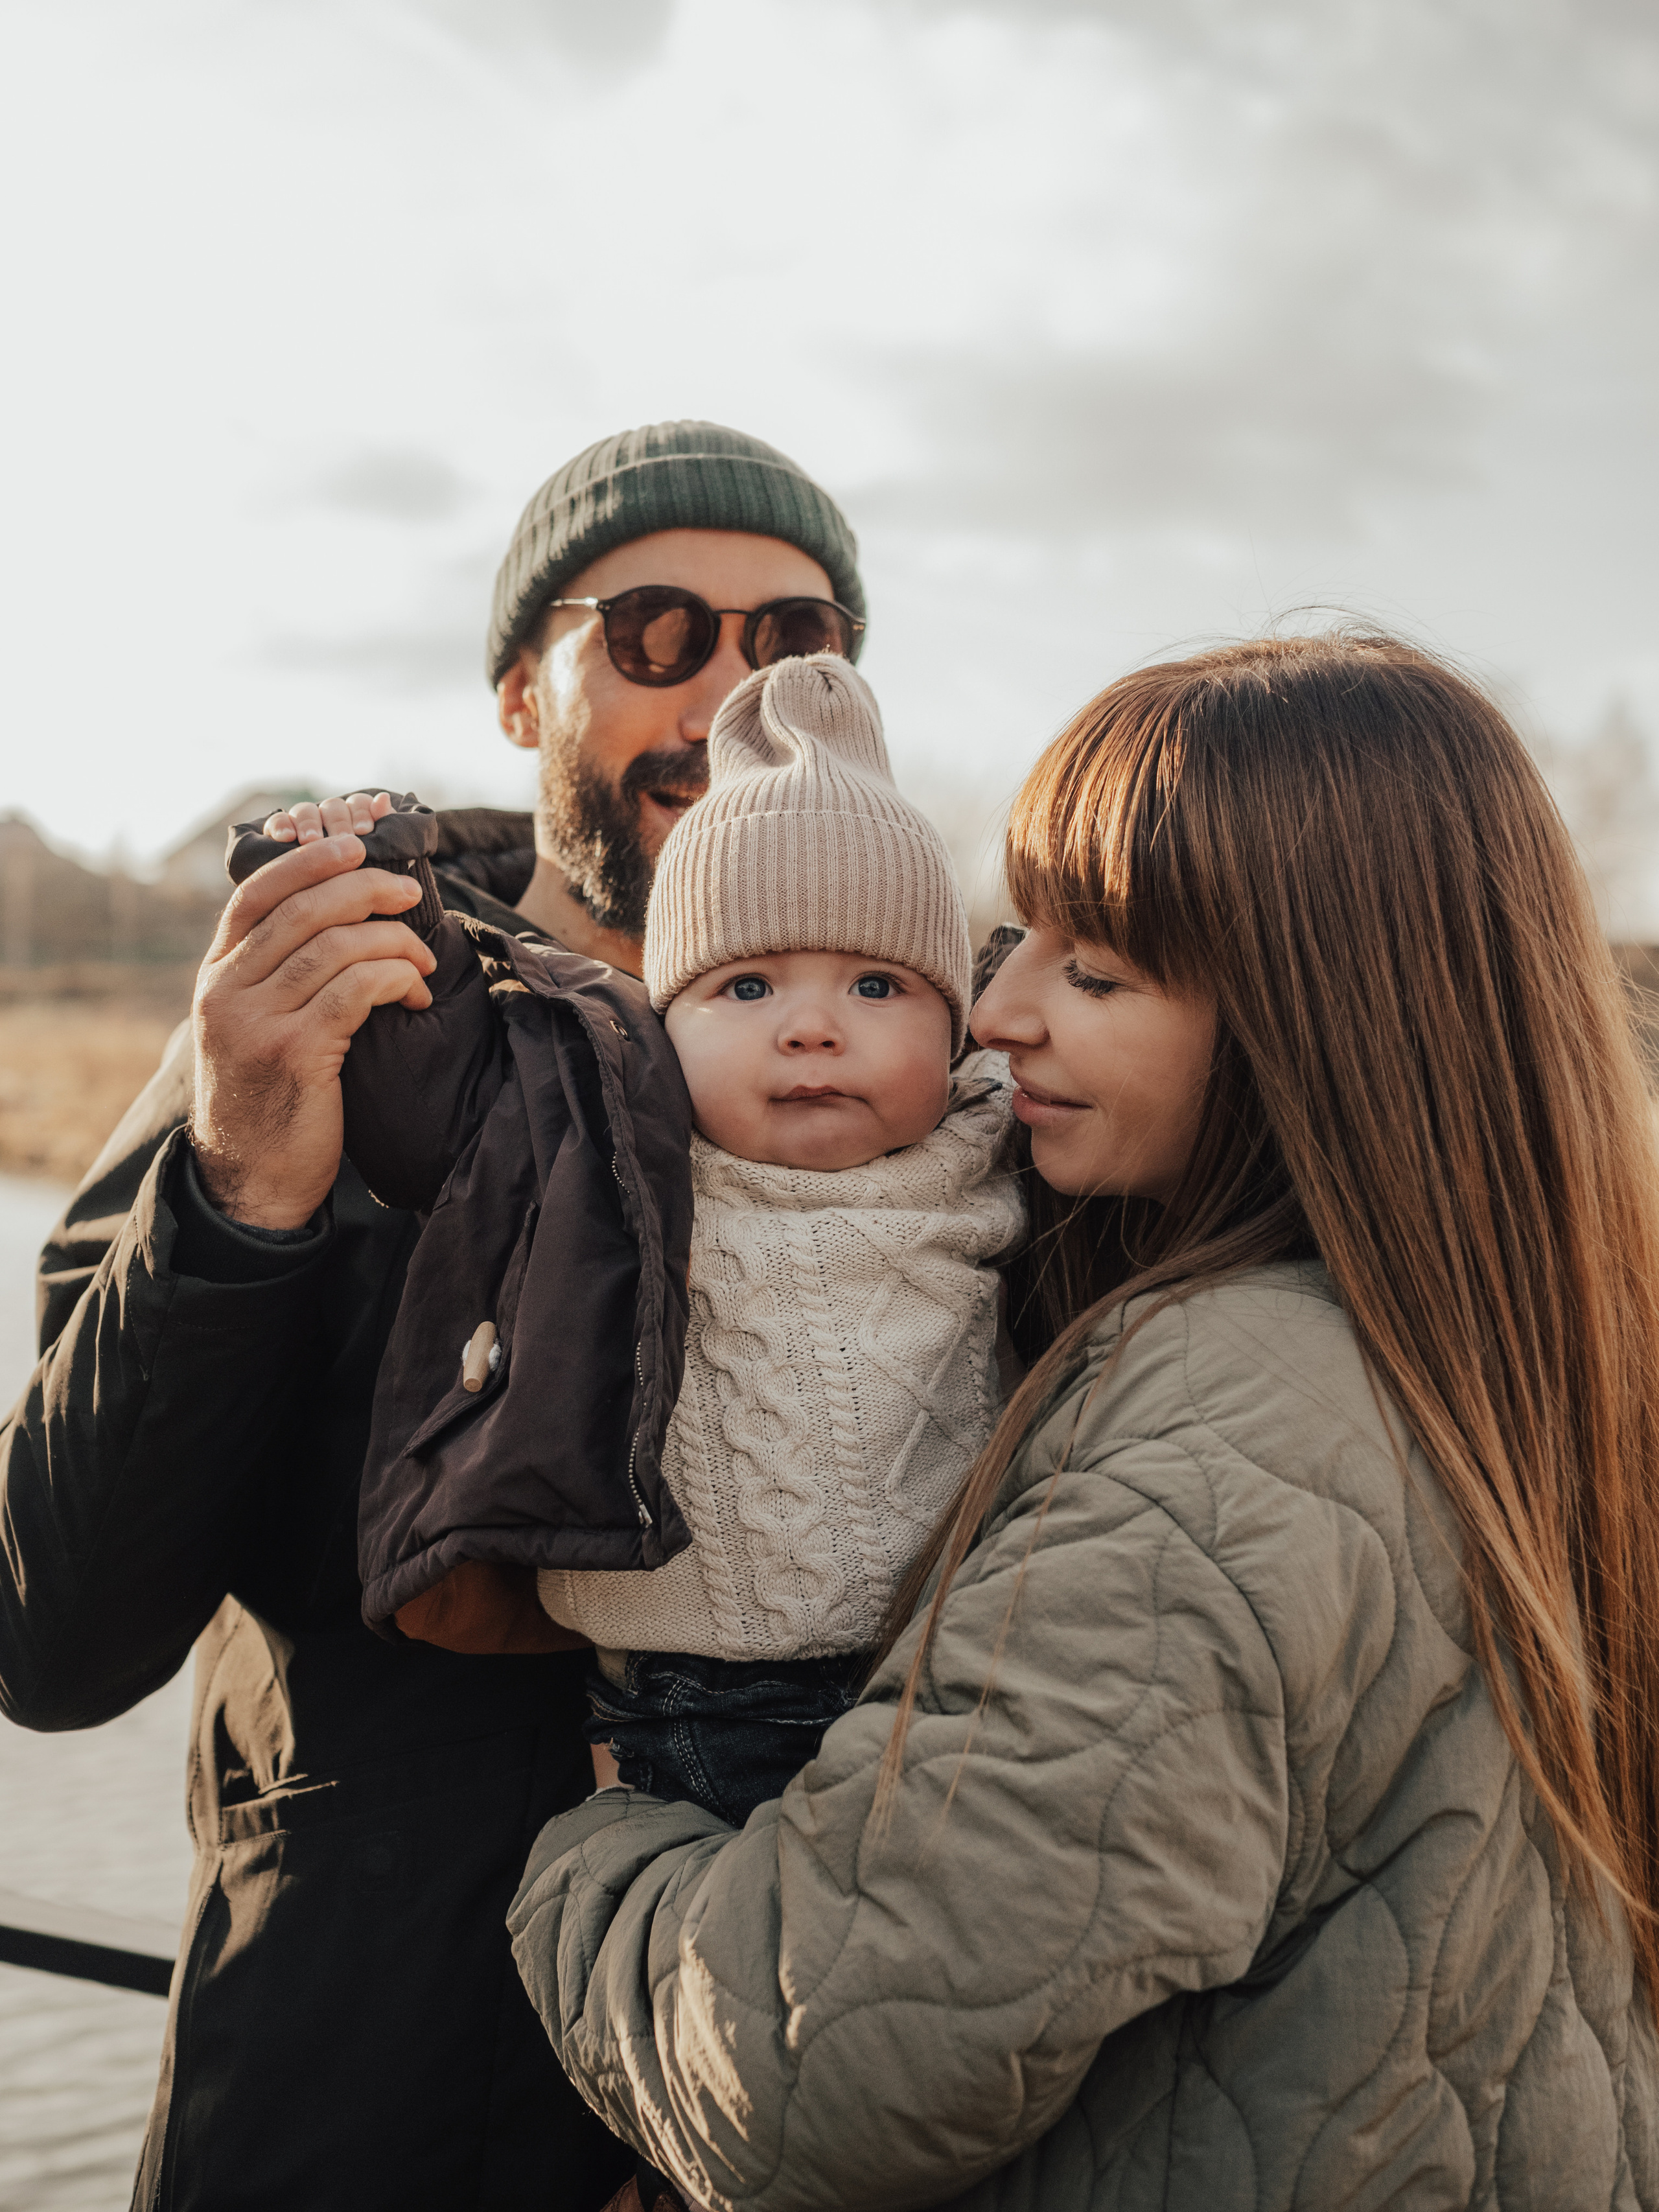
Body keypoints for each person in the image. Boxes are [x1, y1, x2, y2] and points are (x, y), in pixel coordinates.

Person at [507, 632, 1659, 2211]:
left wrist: (587, 1852)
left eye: (1094, 971)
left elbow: (813, 2069)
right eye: (1020, 937)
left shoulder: (1232, 1421)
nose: (996, 1013)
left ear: (1311, 1023)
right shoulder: (1527, 1344)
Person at [0, 421, 866, 2211]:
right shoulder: (306, 1007)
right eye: (654, 633)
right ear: (519, 697)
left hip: (770, 2121)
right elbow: (55, 1628)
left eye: (798, 642)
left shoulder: (911, 1078)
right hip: (345, 2107)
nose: (728, 692)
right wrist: (246, 1173)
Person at [255, 656, 1023, 1831]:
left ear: (958, 1024)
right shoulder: (617, 1142)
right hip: (689, 1708)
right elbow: (438, 1094)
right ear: (665, 1022)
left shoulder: (1006, 1143)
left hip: (954, 1687)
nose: (813, 1028)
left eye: (876, 984)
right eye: (749, 986)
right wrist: (385, 895)